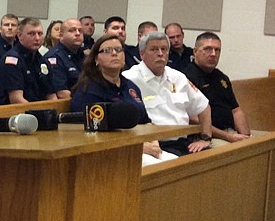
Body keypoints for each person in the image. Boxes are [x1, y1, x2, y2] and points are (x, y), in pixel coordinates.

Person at [69, 34, 173, 166]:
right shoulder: (89, 91)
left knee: (178, 164)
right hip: (110, 153)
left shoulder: (131, 86)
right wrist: (139, 147)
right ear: (96, 59)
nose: (114, 54)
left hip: (141, 146)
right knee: (159, 169)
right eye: (107, 51)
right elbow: (92, 135)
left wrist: (153, 141)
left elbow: (146, 121)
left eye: (118, 50)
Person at [124, 31, 212, 157]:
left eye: (164, 49)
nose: (160, 53)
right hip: (154, 145)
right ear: (142, 54)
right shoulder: (129, 79)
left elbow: (204, 106)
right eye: (154, 49)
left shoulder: (178, 77)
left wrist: (205, 138)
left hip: (183, 142)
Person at [184, 32, 251, 146]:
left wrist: (246, 137)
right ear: (195, 51)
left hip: (230, 132)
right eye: (208, 49)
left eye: (217, 50)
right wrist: (230, 138)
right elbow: (194, 120)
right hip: (205, 136)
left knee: (260, 144)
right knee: (232, 151)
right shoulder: (186, 77)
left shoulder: (221, 77)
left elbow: (236, 111)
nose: (213, 54)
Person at [0, 17, 56, 104]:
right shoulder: (12, 61)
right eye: (31, 34)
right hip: (18, 114)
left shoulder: (43, 60)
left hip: (40, 111)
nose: (37, 38)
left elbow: (51, 95)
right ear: (19, 35)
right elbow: (16, 99)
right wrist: (38, 115)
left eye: (40, 34)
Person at [46, 18, 86, 99]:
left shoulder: (85, 57)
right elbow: (62, 93)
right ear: (61, 35)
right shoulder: (54, 57)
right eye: (72, 30)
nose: (77, 34)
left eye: (80, 31)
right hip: (70, 105)